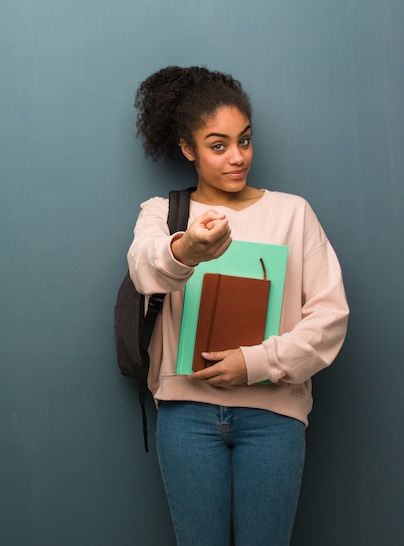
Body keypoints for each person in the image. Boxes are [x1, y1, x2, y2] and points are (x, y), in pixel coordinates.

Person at [127, 66, 349, 546]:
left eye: (244, 141)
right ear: (189, 149)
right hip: (186, 414)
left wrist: (255, 363)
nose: (237, 157)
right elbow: (144, 269)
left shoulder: (293, 213)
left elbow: (330, 318)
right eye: (218, 144)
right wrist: (187, 250)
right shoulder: (164, 214)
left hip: (272, 415)